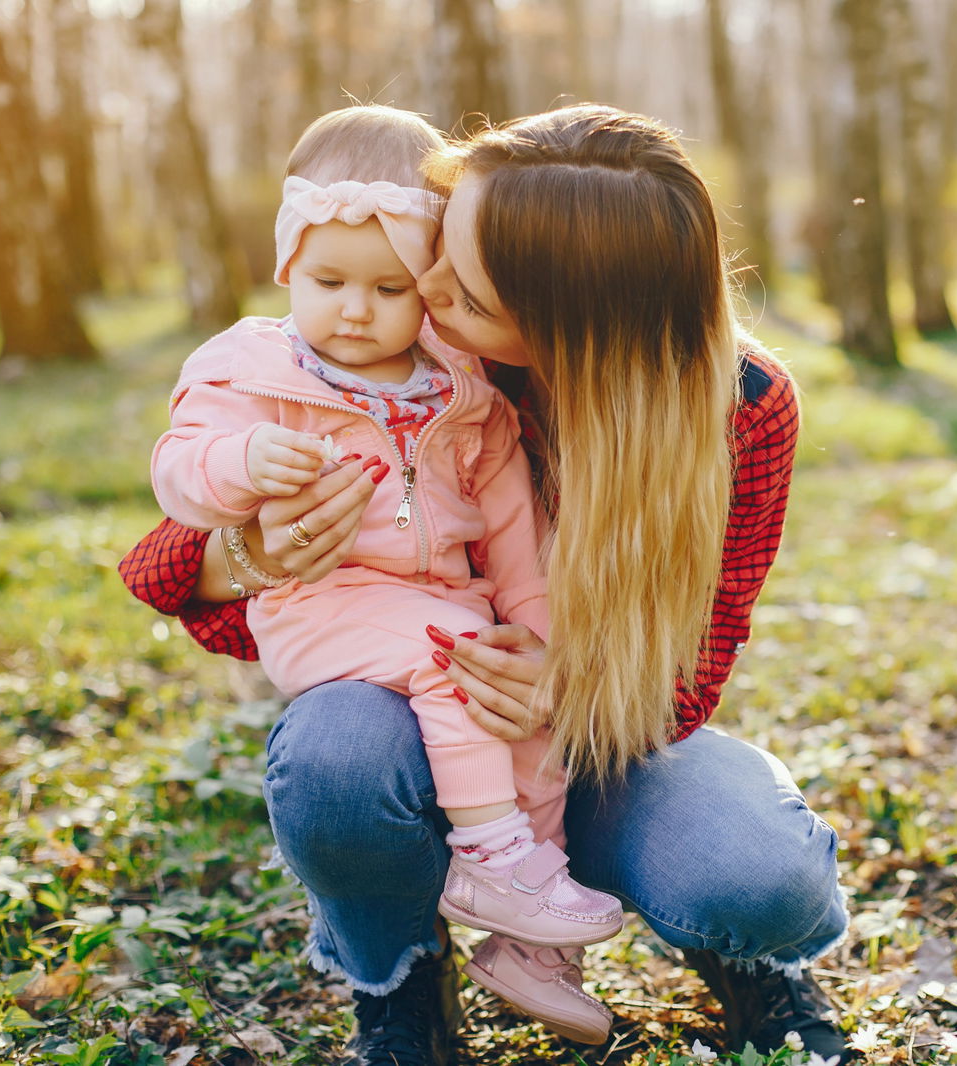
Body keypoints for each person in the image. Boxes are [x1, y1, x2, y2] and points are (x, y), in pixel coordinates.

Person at [120, 104, 848, 1066]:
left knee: (755, 875)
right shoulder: (424, 365)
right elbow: (161, 560)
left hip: (599, 741)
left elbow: (701, 661)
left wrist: (568, 687)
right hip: (419, 719)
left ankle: (742, 965)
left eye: (459, 287)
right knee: (335, 760)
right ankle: (399, 976)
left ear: (557, 326)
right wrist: (254, 554)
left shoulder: (741, 412)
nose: (418, 292)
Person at [148, 103, 622, 1035]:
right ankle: (488, 857)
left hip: (446, 599)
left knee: (520, 716)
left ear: (432, 285)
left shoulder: (462, 392)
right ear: (288, 267)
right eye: (327, 281)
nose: (355, 310)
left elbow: (514, 527)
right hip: (324, 602)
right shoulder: (255, 369)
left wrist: (540, 637)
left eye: (390, 287)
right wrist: (239, 470)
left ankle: (533, 949)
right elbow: (176, 473)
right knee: (455, 655)